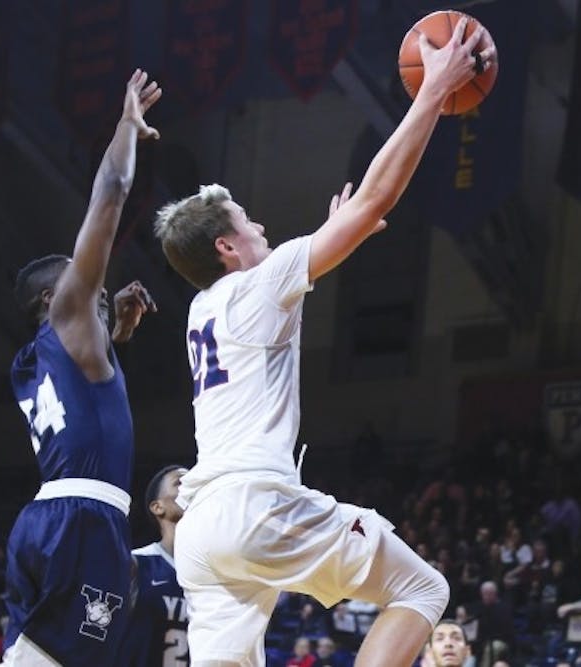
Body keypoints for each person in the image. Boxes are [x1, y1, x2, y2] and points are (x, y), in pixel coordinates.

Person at [158, 18, 496, 667]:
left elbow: (339, 233)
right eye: (247, 223)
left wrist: (339, 229)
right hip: (257, 501)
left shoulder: (204, 306)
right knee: (424, 588)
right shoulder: (257, 284)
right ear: (227, 247)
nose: (260, 226)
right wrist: (434, 91)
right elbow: (375, 199)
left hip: (201, 527)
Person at [3, 69, 161, 666]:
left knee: (39, 653)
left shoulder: (35, 358)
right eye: (78, 277)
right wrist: (125, 125)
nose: (92, 281)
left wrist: (113, 333)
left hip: (48, 519)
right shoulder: (71, 312)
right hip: (84, 521)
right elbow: (113, 193)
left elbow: (83, 409)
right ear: (54, 297)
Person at [118, 465, 189, 666]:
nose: (193, 488)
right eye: (181, 482)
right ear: (158, 507)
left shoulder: (217, 574)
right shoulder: (135, 564)